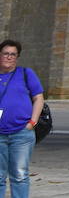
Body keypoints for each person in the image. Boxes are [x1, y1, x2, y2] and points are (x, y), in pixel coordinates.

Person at [0, 40, 43, 198]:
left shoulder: (25, 73)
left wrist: (32, 122)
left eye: (13, 54)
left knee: (19, 175)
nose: (9, 57)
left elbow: (38, 98)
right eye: (6, 53)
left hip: (21, 133)